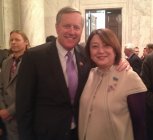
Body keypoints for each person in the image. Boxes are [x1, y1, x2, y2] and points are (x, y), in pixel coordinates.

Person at [16, 7, 130, 140]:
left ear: (81, 30)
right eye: (67, 26)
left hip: (80, 132)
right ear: (57, 28)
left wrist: (121, 62)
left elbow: (105, 64)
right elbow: (23, 106)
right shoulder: (34, 57)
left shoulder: (86, 54)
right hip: (46, 134)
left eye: (76, 27)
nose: (71, 31)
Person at [79, 28, 147, 140]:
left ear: (115, 49)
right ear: (89, 51)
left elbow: (140, 124)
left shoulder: (130, 77)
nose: (100, 51)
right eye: (95, 46)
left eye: (106, 45)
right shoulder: (90, 74)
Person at [0, 30, 30, 140]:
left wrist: (10, 111)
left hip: (22, 113)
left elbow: (30, 92)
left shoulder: (31, 61)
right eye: (11, 40)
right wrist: (3, 109)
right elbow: (1, 87)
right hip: (5, 116)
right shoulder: (6, 62)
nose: (13, 42)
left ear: (26, 42)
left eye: (17, 39)